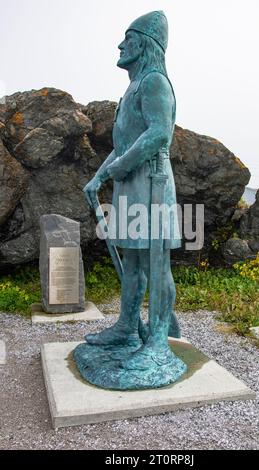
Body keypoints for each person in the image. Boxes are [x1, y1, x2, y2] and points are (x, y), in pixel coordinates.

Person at [83, 11, 183, 371]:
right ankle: (127, 328)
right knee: (136, 260)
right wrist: (99, 178)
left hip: (154, 183)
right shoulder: (134, 86)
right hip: (132, 184)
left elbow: (159, 134)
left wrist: (119, 168)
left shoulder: (155, 81)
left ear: (143, 44)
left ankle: (157, 341)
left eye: (128, 38)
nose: (121, 45)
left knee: (157, 264)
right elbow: (124, 142)